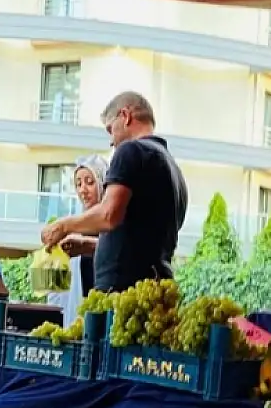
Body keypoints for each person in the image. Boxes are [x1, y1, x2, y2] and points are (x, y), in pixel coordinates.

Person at [40, 91, 187, 292]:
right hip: (156, 289)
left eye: (110, 129)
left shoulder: (131, 151)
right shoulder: (172, 168)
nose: (111, 141)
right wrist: (89, 245)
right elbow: (143, 241)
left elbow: (109, 215)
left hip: (122, 294)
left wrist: (63, 226)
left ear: (125, 116)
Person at [48, 154, 107, 322]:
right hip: (75, 321)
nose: (83, 190)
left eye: (90, 182)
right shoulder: (70, 229)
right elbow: (56, 287)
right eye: (78, 184)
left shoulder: (114, 228)